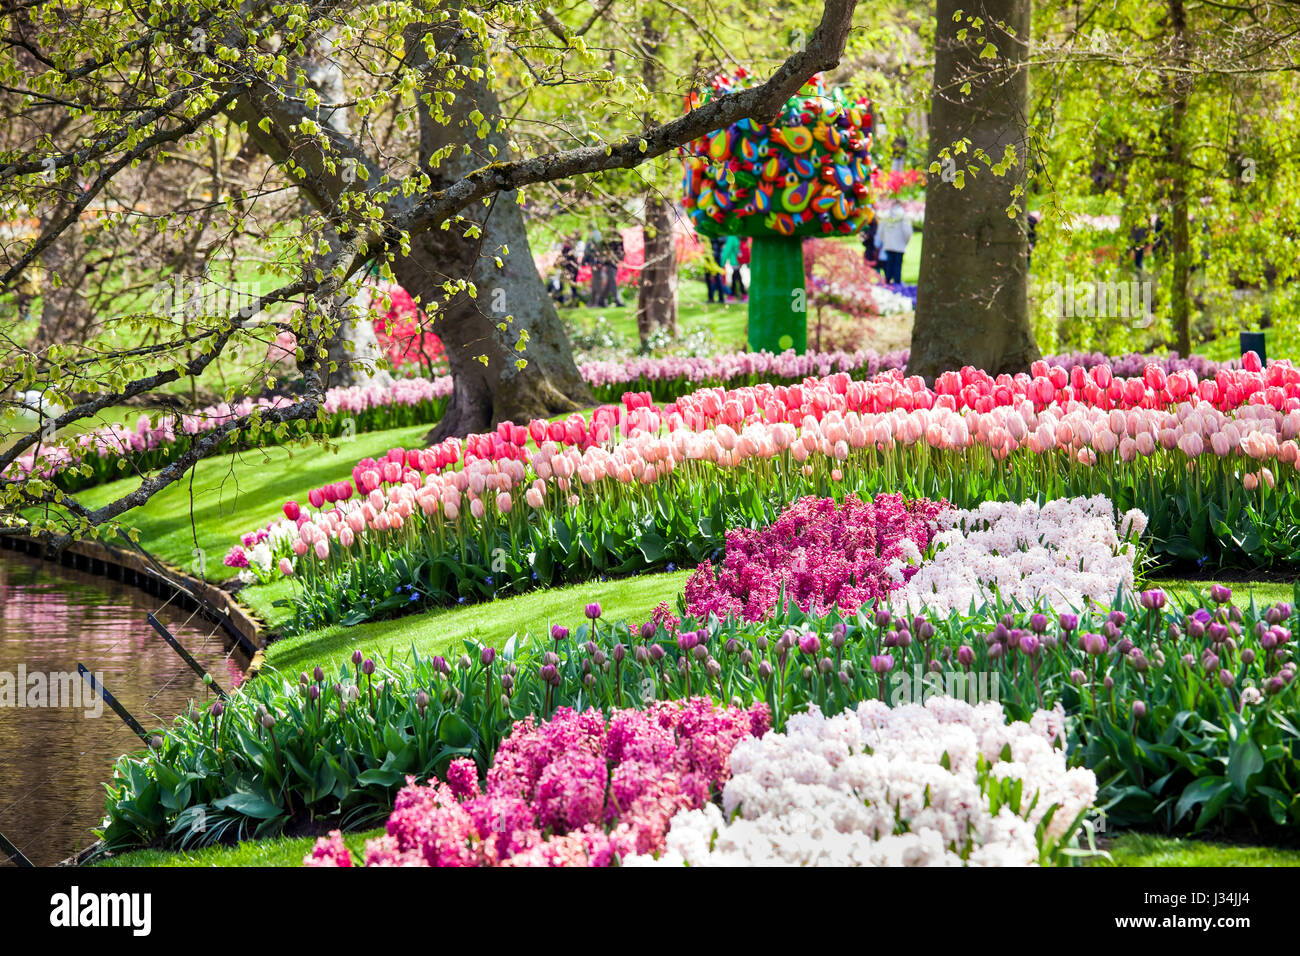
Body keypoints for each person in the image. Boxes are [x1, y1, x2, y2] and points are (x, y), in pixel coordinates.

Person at [877, 200, 912, 285]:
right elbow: (907, 232)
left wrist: (885, 241)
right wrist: (905, 242)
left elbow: (880, 231)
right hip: (900, 245)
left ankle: (888, 282)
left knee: (889, 265)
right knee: (897, 266)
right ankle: (897, 284)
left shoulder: (886, 215)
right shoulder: (904, 215)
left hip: (888, 244)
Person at [721, 234, 743, 300]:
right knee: (736, 277)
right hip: (739, 260)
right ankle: (735, 295)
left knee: (736, 278)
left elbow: (727, 250)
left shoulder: (731, 237)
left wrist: (722, 263)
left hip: (735, 261)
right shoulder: (736, 236)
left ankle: (732, 295)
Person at [706, 234, 727, 303]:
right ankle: (710, 297)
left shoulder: (719, 231)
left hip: (717, 257)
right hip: (707, 256)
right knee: (708, 277)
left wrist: (713, 237)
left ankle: (721, 298)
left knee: (718, 277)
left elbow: (723, 240)